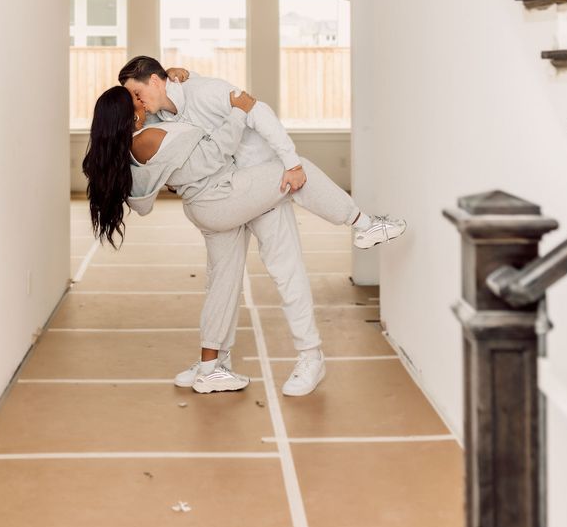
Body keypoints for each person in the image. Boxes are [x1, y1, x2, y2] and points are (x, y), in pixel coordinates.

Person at [84, 60, 406, 396]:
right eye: (133, 100)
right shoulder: (150, 129)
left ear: (155, 81)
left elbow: (255, 114)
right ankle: (363, 224)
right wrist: (245, 117)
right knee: (297, 172)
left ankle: (212, 367)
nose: (139, 102)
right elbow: (209, 154)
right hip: (228, 197)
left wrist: (186, 76)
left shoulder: (183, 103)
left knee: (228, 281)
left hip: (222, 198)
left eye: (137, 93)